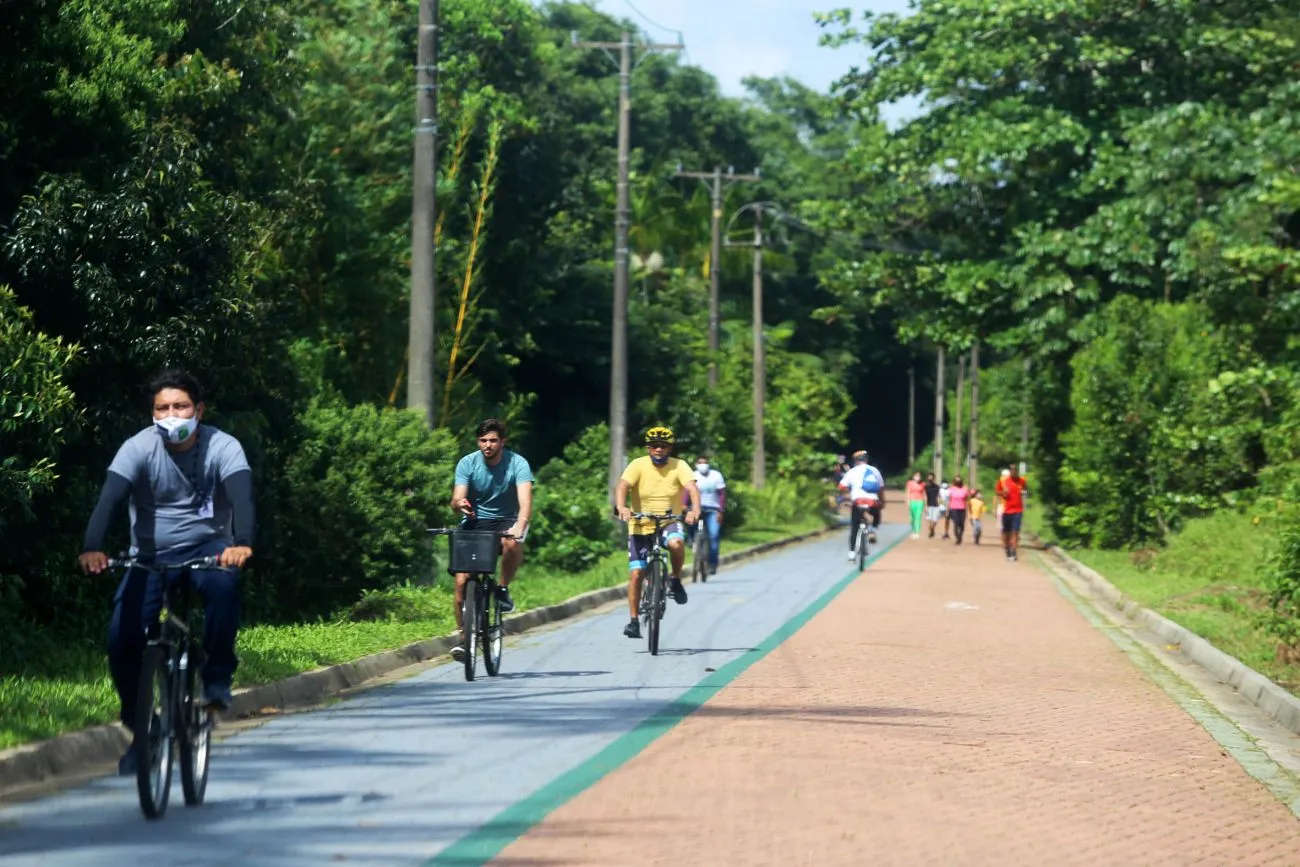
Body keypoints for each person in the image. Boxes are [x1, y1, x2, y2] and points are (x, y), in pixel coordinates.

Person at [79, 370, 254, 776]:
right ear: (152, 413)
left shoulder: (223, 447)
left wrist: (240, 542)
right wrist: (92, 547)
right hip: (150, 554)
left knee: (223, 589)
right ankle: (142, 726)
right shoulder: (137, 448)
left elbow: (243, 495)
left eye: (181, 406)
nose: (172, 414)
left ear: (199, 410)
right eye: (162, 408)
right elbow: (110, 498)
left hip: (209, 547)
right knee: (122, 638)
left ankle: (215, 680)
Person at [449, 418, 533, 660]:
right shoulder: (467, 463)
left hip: (508, 519)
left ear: (503, 442)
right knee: (462, 581)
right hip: (475, 521)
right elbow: (456, 499)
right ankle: (464, 639)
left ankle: (503, 589)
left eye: (493, 440)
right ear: (478, 442)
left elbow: (525, 502)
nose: (488, 445)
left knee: (512, 542)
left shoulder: (517, 463)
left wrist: (520, 525)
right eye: (483, 440)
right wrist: (460, 504)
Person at [615, 426, 701, 639]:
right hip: (640, 524)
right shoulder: (637, 465)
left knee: (676, 544)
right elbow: (623, 486)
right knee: (636, 574)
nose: (658, 449)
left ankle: (675, 579)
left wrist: (695, 510)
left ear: (670, 448)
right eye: (654, 446)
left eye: (663, 446)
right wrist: (622, 507)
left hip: (668, 521)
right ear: (648, 448)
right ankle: (634, 621)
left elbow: (691, 488)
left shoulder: (679, 466)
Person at [838, 450, 885, 559]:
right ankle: (873, 530)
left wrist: (846, 497)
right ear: (867, 460)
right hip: (872, 503)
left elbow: (841, 487)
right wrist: (881, 503)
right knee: (877, 514)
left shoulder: (852, 471)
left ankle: (851, 554)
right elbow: (881, 488)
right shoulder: (874, 470)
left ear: (855, 461)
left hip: (858, 502)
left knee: (855, 527)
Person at [691, 454, 726, 576]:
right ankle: (692, 542)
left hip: (713, 510)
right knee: (690, 525)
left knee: (714, 535)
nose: (703, 465)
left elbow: (721, 494)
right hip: (697, 509)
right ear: (696, 464)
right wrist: (684, 506)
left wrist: (721, 511)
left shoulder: (716, 476)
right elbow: (686, 492)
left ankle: (712, 563)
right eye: (700, 463)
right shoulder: (693, 476)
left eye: (704, 462)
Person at [996, 463, 1029, 561]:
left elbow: (1025, 489)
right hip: (1006, 510)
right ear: (1010, 471)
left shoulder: (1022, 480)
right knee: (1006, 532)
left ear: (1017, 471)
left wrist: (1023, 492)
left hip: (1018, 510)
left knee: (1015, 531)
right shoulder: (1003, 481)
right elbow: (997, 491)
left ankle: (1013, 551)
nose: (1014, 471)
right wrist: (1003, 493)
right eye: (1012, 470)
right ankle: (1007, 548)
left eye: (1015, 470)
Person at [947, 476, 970, 545]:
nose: (958, 482)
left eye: (959, 480)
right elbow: (949, 499)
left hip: (962, 509)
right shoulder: (951, 489)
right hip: (954, 509)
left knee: (962, 525)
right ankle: (958, 537)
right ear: (954, 482)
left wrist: (968, 509)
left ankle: (960, 535)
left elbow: (966, 499)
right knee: (956, 524)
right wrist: (948, 510)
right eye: (956, 480)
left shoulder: (964, 489)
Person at [906, 471, 926, 539]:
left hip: (920, 502)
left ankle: (917, 532)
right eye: (916, 476)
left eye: (919, 476)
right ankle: (913, 531)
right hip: (912, 501)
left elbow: (924, 494)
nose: (918, 477)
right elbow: (908, 492)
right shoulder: (910, 483)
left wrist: (925, 503)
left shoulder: (923, 484)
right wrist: (908, 501)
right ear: (913, 477)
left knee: (918, 517)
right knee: (912, 518)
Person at [924, 473, 942, 537]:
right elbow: (925, 496)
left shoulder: (937, 487)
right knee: (929, 519)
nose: (930, 478)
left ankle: (932, 528)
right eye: (929, 477)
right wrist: (925, 505)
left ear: (934, 478)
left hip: (936, 505)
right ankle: (931, 529)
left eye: (931, 477)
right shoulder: (926, 486)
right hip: (929, 505)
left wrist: (940, 504)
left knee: (935, 519)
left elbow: (938, 496)